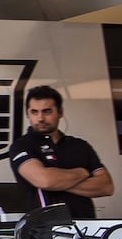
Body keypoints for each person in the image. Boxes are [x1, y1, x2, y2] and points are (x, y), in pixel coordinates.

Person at [8, 85, 113, 217]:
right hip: (45, 230)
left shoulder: (80, 145)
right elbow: (44, 181)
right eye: (34, 112)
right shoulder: (21, 146)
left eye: (47, 111)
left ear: (60, 112)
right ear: (28, 114)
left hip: (85, 229)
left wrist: (58, 182)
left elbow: (106, 186)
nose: (40, 118)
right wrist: (82, 172)